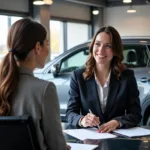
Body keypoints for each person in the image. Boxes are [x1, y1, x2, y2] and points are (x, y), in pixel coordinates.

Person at [0, 18, 69, 150]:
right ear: (37, 47)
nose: (48, 50)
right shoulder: (44, 89)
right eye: (47, 44)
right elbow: (57, 147)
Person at [66, 26, 142, 133]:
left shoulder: (127, 77)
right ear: (92, 46)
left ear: (115, 50)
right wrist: (82, 120)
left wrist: (117, 122)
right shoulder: (78, 76)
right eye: (97, 44)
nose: (101, 50)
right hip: (89, 139)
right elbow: (70, 113)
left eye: (108, 46)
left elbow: (136, 114)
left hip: (118, 140)